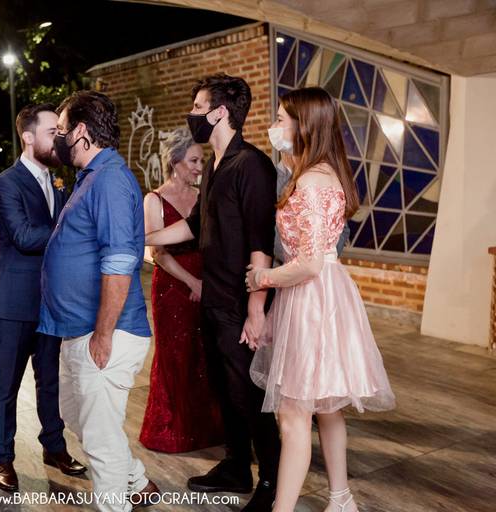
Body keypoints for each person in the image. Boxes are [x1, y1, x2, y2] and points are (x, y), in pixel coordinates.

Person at [247, 87, 395, 512]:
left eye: (280, 119)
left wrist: (262, 277)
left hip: (311, 296)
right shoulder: (326, 172)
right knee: (327, 407)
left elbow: (309, 263)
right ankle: (341, 498)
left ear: (304, 125)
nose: (274, 127)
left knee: (293, 416)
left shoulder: (311, 182)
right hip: (320, 294)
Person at [145, 74, 281, 512]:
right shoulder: (216, 166)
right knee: (225, 390)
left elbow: (261, 242)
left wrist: (256, 310)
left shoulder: (251, 165)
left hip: (241, 302)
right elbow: (196, 227)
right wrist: (141, 237)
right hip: (214, 299)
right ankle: (236, 466)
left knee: (250, 394)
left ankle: (273, 482)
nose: (194, 114)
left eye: (199, 107)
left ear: (221, 112)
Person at [38, 91, 159, 512]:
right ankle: (136, 481)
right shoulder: (90, 177)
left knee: (101, 444)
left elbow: (120, 262)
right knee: (78, 417)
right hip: (77, 330)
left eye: (61, 129)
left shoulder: (109, 179)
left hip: (106, 333)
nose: (58, 138)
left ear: (81, 131)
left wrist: (103, 334)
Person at [0, 103, 86, 493]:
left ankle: (54, 447)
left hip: (51, 300)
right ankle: (3, 457)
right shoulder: (6, 183)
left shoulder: (61, 180)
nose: (58, 138)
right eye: (51, 132)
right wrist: (73, 227)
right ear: (28, 137)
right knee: (6, 384)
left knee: (50, 380)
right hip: (14, 302)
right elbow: (24, 237)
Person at [139, 127, 223, 453]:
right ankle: (175, 429)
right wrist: (192, 282)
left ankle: (209, 427)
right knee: (176, 355)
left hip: (207, 281)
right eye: (194, 161)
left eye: (201, 161)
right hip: (173, 286)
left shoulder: (203, 195)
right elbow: (158, 253)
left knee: (205, 354)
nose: (200, 167)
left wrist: (208, 282)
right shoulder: (154, 200)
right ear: (175, 162)